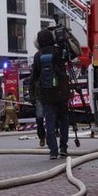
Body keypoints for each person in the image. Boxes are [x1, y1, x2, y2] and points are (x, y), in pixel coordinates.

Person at [30, 28, 70, 159]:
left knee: (50, 123)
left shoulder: (37, 56)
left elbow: (34, 77)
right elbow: (73, 54)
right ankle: (63, 147)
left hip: (47, 95)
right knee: (64, 121)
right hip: (62, 93)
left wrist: (32, 95)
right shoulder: (59, 51)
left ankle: (53, 151)